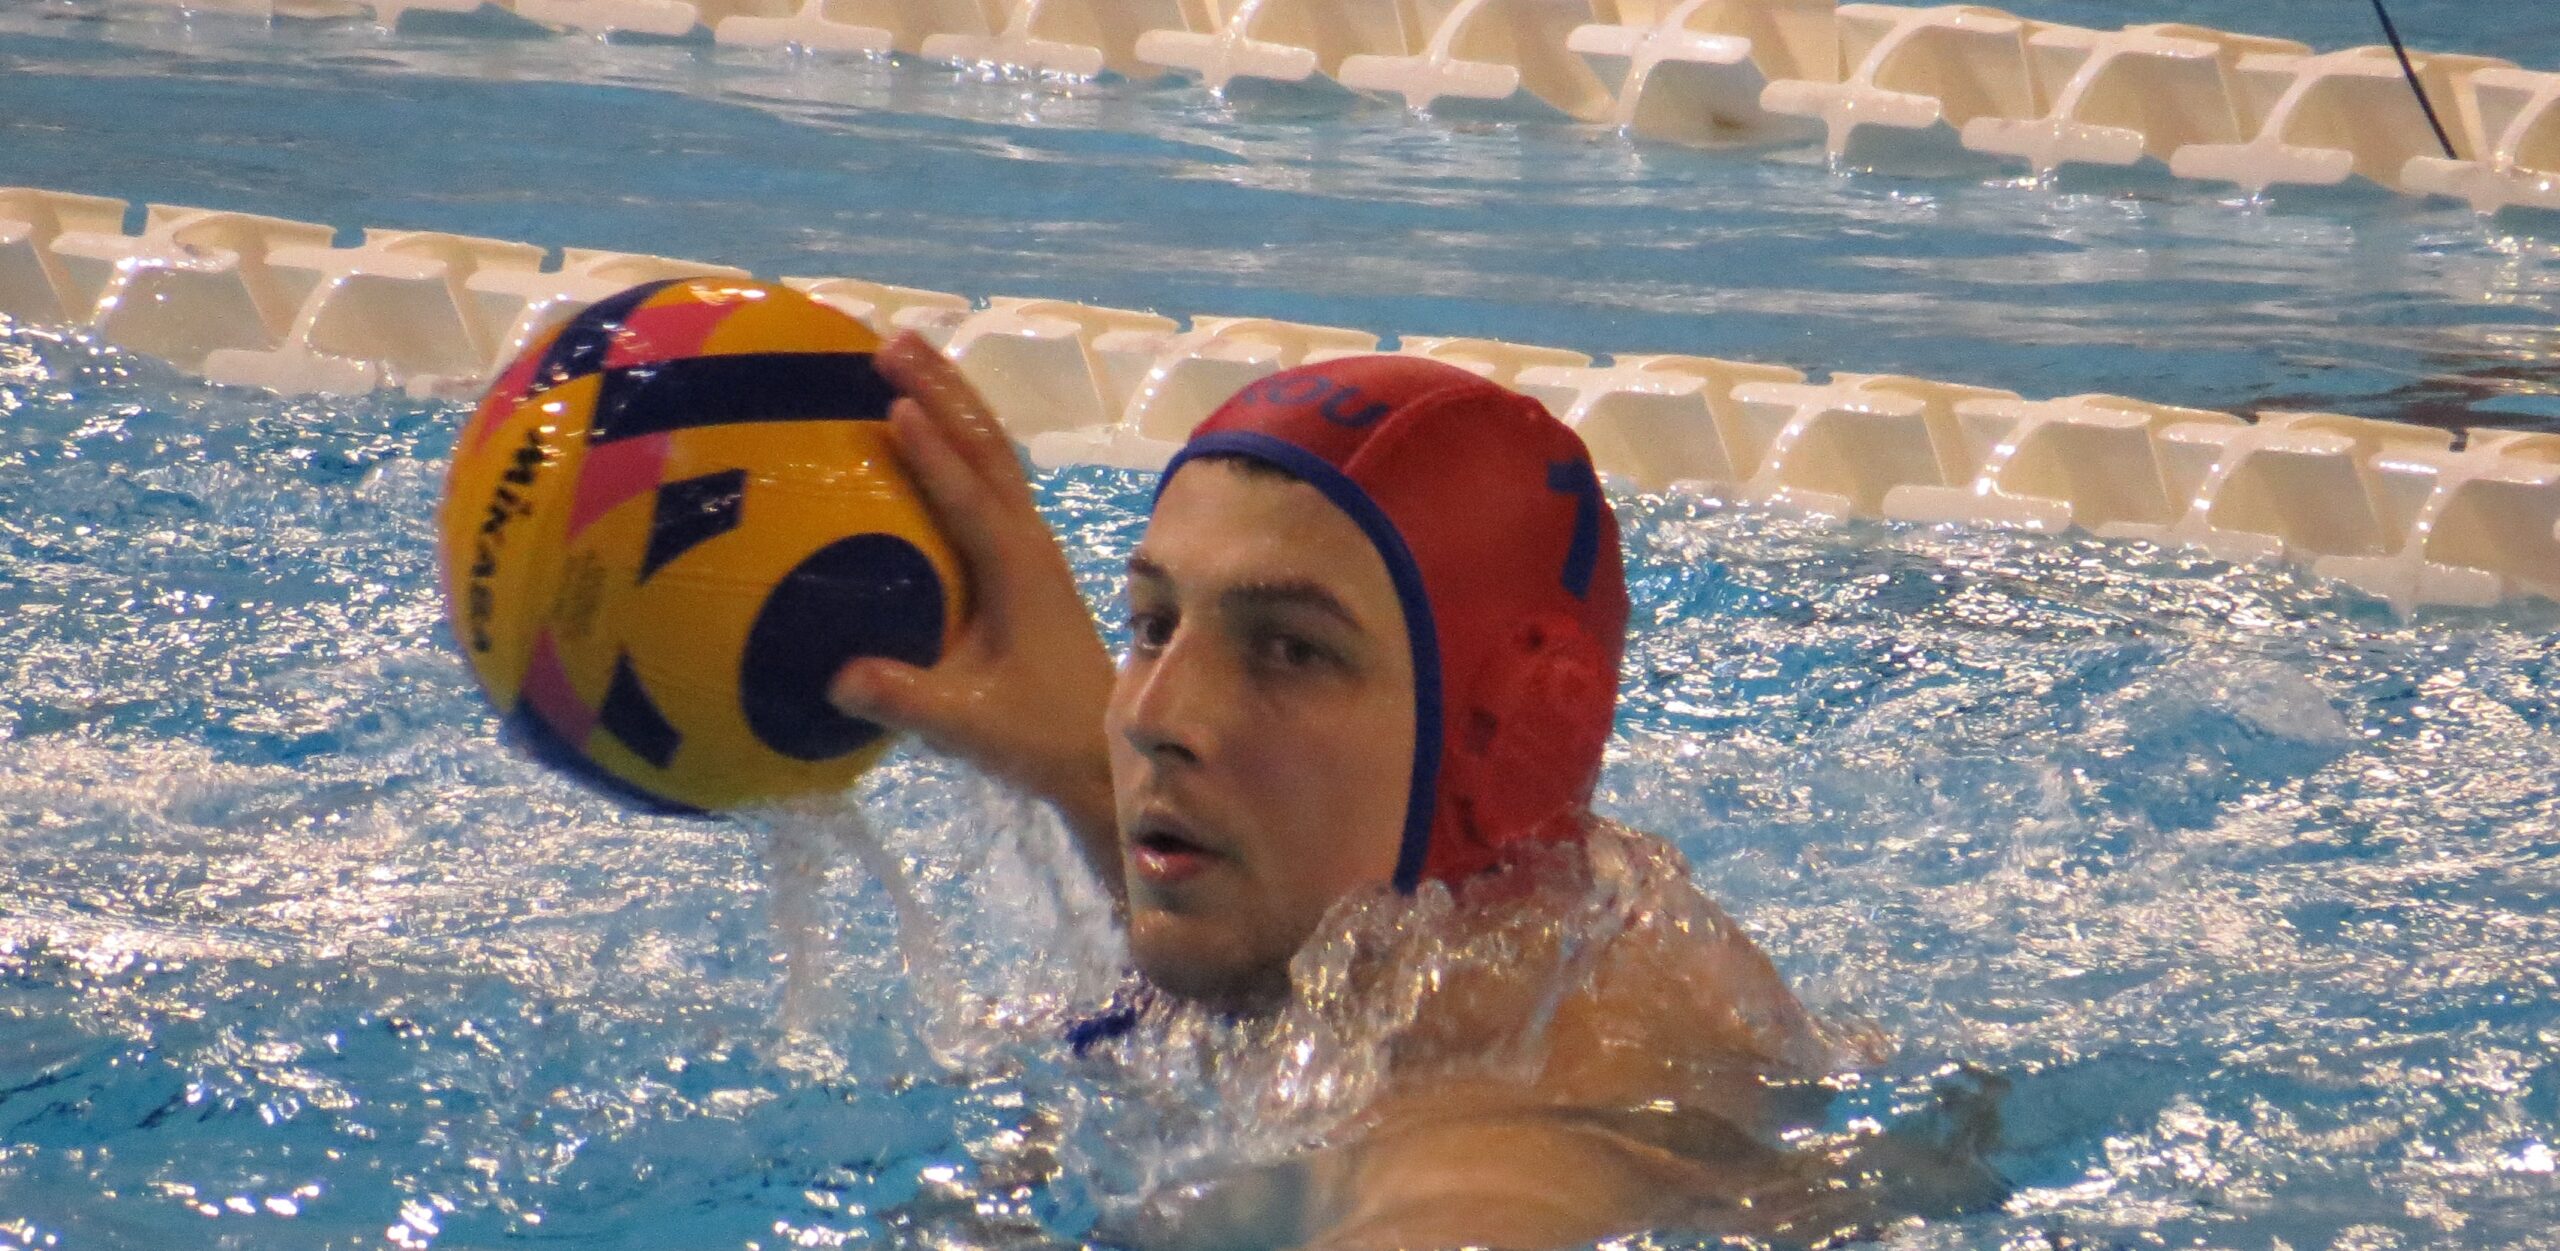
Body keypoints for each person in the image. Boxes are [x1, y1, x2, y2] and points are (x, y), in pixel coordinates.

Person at [826, 336, 1927, 1249]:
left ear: (1507, 739)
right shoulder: (1538, 926)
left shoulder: (1494, 1178)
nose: (1153, 717)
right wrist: (1078, 771)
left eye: (1289, 651)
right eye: (1154, 623)